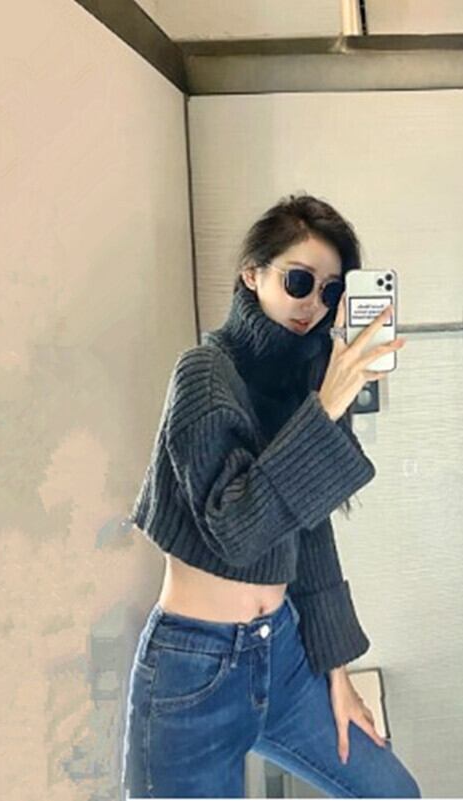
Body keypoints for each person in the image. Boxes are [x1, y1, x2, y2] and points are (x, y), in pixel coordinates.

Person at [121, 193, 418, 798]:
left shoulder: (299, 384)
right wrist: (326, 407)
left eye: (331, 291)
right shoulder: (203, 373)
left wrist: (336, 671)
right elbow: (237, 530)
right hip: (193, 671)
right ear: (252, 274)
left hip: (280, 653)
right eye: (298, 281)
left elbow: (310, 531)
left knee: (392, 792)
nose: (313, 305)